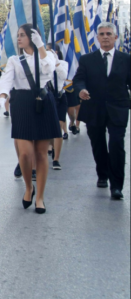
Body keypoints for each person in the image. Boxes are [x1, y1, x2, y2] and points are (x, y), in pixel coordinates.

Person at [0, 24, 59, 214]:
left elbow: (49, 69)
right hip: (22, 103)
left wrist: (41, 47)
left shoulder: (48, 56)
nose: (19, 39)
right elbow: (6, 79)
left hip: (43, 101)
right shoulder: (15, 60)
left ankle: (39, 197)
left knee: (41, 153)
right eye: (19, 36)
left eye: (23, 35)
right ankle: (28, 187)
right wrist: (2, 96)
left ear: (33, 37)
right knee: (25, 153)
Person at [74, 22, 131, 200]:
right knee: (98, 144)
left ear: (115, 37)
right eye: (102, 34)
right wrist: (81, 90)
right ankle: (102, 174)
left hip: (118, 109)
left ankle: (117, 186)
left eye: (109, 33)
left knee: (116, 145)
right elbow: (78, 80)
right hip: (94, 108)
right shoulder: (87, 59)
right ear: (97, 38)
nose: (105, 36)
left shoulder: (126, 59)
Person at [48, 48, 69, 170]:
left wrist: (56, 63)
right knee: (50, 127)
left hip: (61, 97)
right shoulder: (44, 64)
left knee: (58, 127)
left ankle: (56, 159)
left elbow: (64, 76)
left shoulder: (63, 63)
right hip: (49, 97)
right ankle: (50, 145)